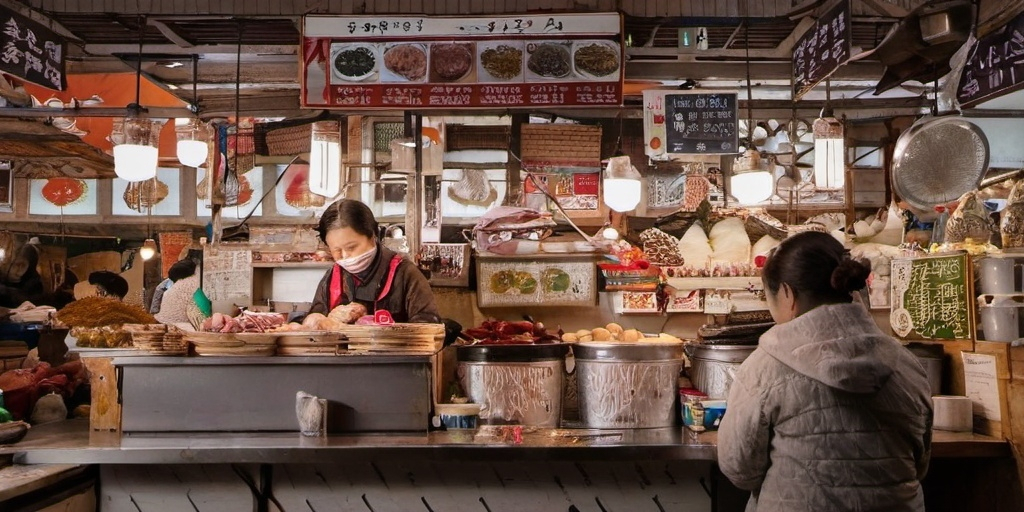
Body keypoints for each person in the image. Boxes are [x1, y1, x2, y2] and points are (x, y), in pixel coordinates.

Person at [717, 231, 932, 512]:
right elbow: (921, 463)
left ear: (786, 293)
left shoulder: (765, 367)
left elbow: (740, 469)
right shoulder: (905, 363)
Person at [309, 199, 440, 323]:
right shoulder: (333, 276)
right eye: (336, 250)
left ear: (373, 236)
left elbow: (427, 324)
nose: (344, 255)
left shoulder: (405, 273)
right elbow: (316, 321)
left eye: (351, 247)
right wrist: (319, 321)